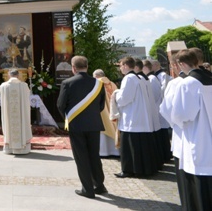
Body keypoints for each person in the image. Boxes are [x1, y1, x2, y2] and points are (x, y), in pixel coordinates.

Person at [160, 48, 211, 211]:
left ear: (181, 64)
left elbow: (182, 114)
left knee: (198, 183)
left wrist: (175, 122)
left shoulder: (188, 83)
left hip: (197, 137)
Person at [57, 55, 107, 199]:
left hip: (76, 125)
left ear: (73, 68)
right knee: (94, 155)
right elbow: (101, 105)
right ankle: (99, 185)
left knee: (81, 157)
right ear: (87, 66)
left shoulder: (67, 83)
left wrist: (69, 119)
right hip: (94, 124)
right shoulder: (98, 84)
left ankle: (87, 189)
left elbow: (60, 105)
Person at [113, 56, 160, 178]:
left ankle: (128, 170)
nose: (120, 69)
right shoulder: (140, 78)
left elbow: (125, 98)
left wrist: (116, 95)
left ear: (125, 65)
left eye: (120, 66)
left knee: (130, 146)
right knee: (142, 146)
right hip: (141, 116)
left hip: (132, 117)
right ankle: (144, 169)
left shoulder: (129, 78)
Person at [0, 68, 32, 154]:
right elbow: (28, 96)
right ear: (18, 75)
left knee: (9, 124)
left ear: (9, 75)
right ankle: (23, 148)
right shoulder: (24, 85)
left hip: (9, 113)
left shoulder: (3, 86)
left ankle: (9, 148)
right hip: (21, 113)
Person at [92, 69, 119, 157]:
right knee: (113, 128)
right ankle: (115, 151)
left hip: (102, 111)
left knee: (103, 130)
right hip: (113, 111)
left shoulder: (96, 84)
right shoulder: (112, 84)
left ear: (96, 76)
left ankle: (104, 152)